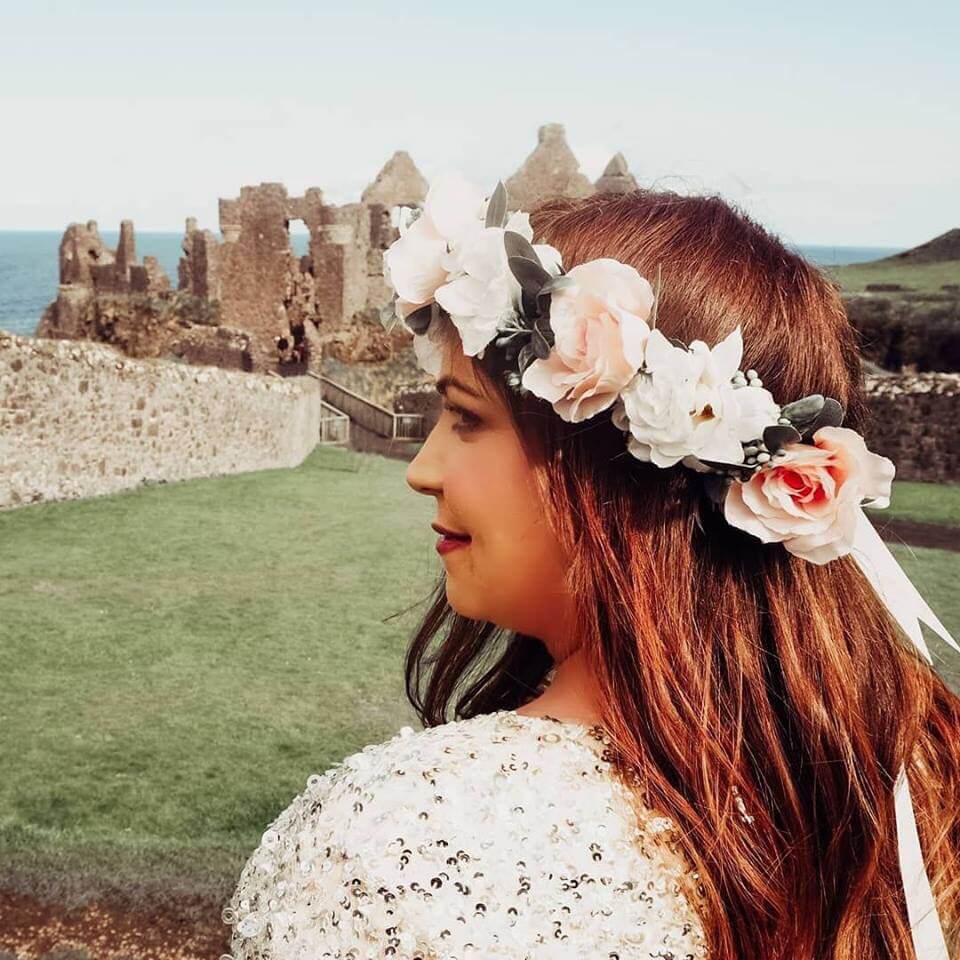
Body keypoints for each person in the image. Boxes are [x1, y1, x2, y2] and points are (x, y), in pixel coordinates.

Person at [221, 176, 960, 960]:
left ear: (620, 462)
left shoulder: (390, 843)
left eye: (466, 418)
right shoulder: (911, 775)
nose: (422, 468)